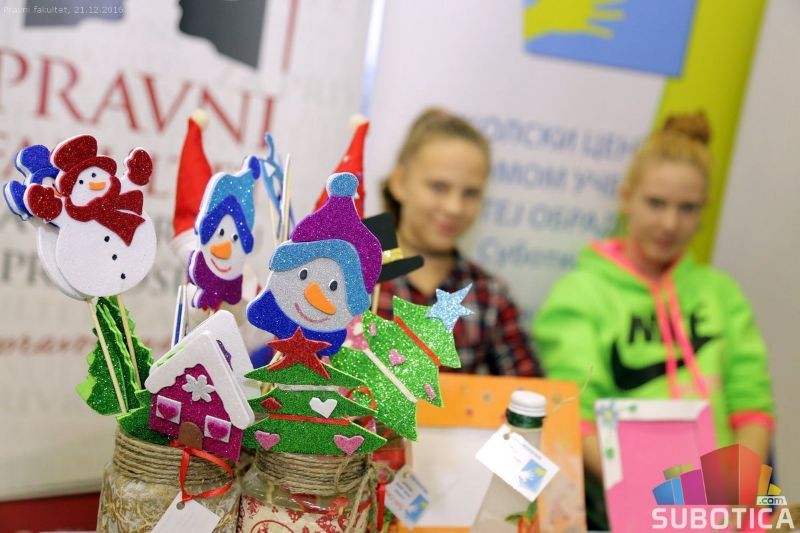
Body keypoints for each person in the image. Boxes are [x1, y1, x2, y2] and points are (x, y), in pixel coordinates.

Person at [533, 112, 774, 527]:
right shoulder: (579, 294)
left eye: (687, 208)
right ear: (626, 198)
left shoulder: (722, 293)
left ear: (705, 210)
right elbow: (576, 417)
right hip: (629, 503)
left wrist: (736, 501)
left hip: (726, 505)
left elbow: (751, 408)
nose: (670, 224)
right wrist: (660, 501)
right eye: (656, 203)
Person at [377, 108, 541, 376]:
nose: (454, 207)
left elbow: (531, 389)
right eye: (438, 187)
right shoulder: (352, 276)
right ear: (400, 182)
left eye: (471, 193)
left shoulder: (490, 296)